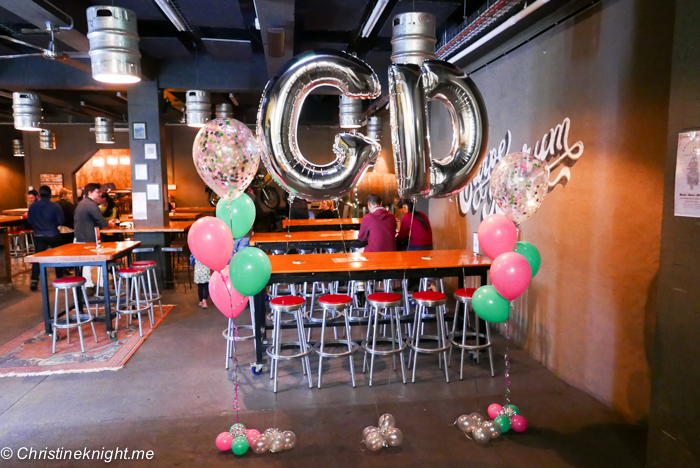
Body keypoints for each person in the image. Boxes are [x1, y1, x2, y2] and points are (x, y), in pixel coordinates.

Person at [74, 183, 117, 290]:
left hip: (80, 236)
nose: (99, 194)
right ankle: (100, 285)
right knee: (96, 261)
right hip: (89, 237)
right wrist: (110, 224)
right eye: (97, 192)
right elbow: (101, 221)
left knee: (87, 263)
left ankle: (88, 284)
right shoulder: (91, 205)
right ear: (90, 193)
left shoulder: (82, 203)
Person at [27, 185, 65, 291]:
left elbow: (29, 221)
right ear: (51, 195)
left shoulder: (33, 206)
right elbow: (61, 221)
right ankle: (59, 277)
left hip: (38, 235)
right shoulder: (55, 206)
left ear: (38, 195)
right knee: (58, 256)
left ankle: (34, 280)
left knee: (37, 257)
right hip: (53, 234)